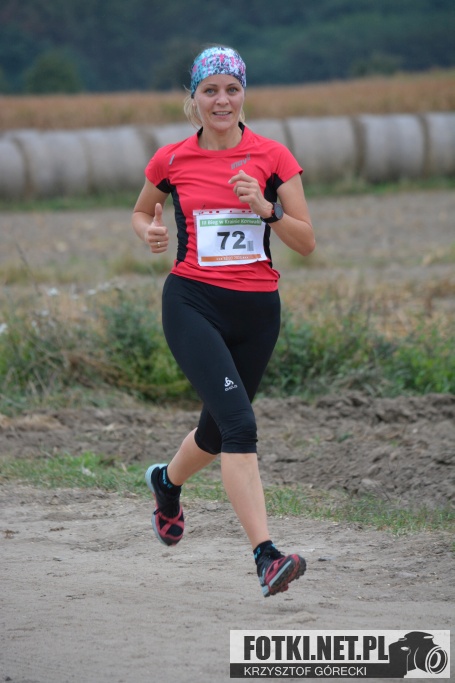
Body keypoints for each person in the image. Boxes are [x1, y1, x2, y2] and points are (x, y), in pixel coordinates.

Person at [132, 45, 315, 597]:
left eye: (231, 89)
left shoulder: (274, 157)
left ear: (243, 95)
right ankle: (266, 557)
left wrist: (267, 208)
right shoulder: (171, 160)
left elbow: (306, 241)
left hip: (257, 312)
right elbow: (140, 211)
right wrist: (149, 232)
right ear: (194, 97)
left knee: (215, 434)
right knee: (239, 426)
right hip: (192, 303)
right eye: (210, 90)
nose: (221, 100)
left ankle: (166, 482)